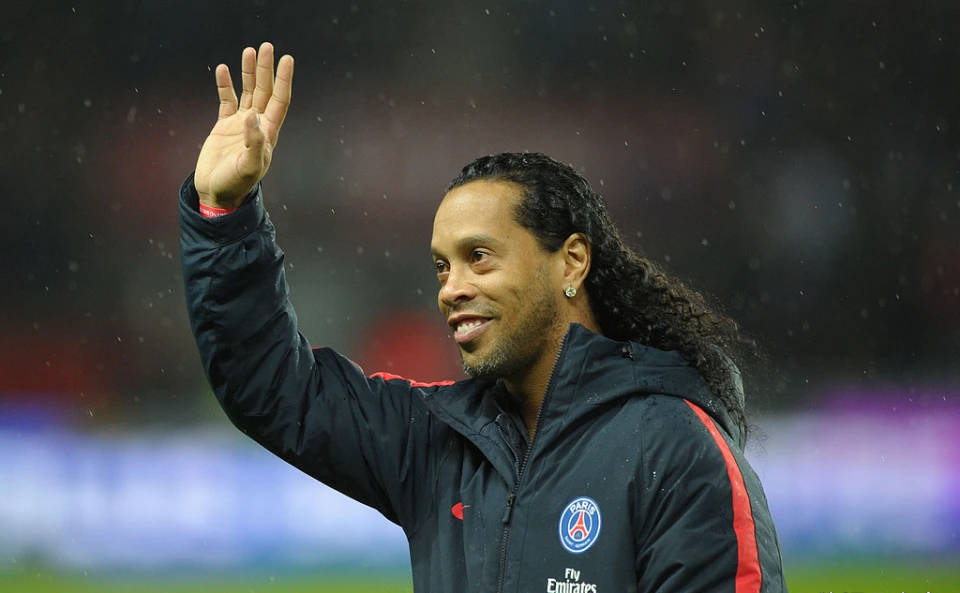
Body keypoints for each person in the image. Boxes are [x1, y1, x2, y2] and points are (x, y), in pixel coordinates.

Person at [180, 42, 786, 593]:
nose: (452, 289)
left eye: (479, 257)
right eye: (442, 267)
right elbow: (272, 386)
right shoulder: (437, 441)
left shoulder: (674, 447)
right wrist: (225, 213)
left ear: (572, 261)